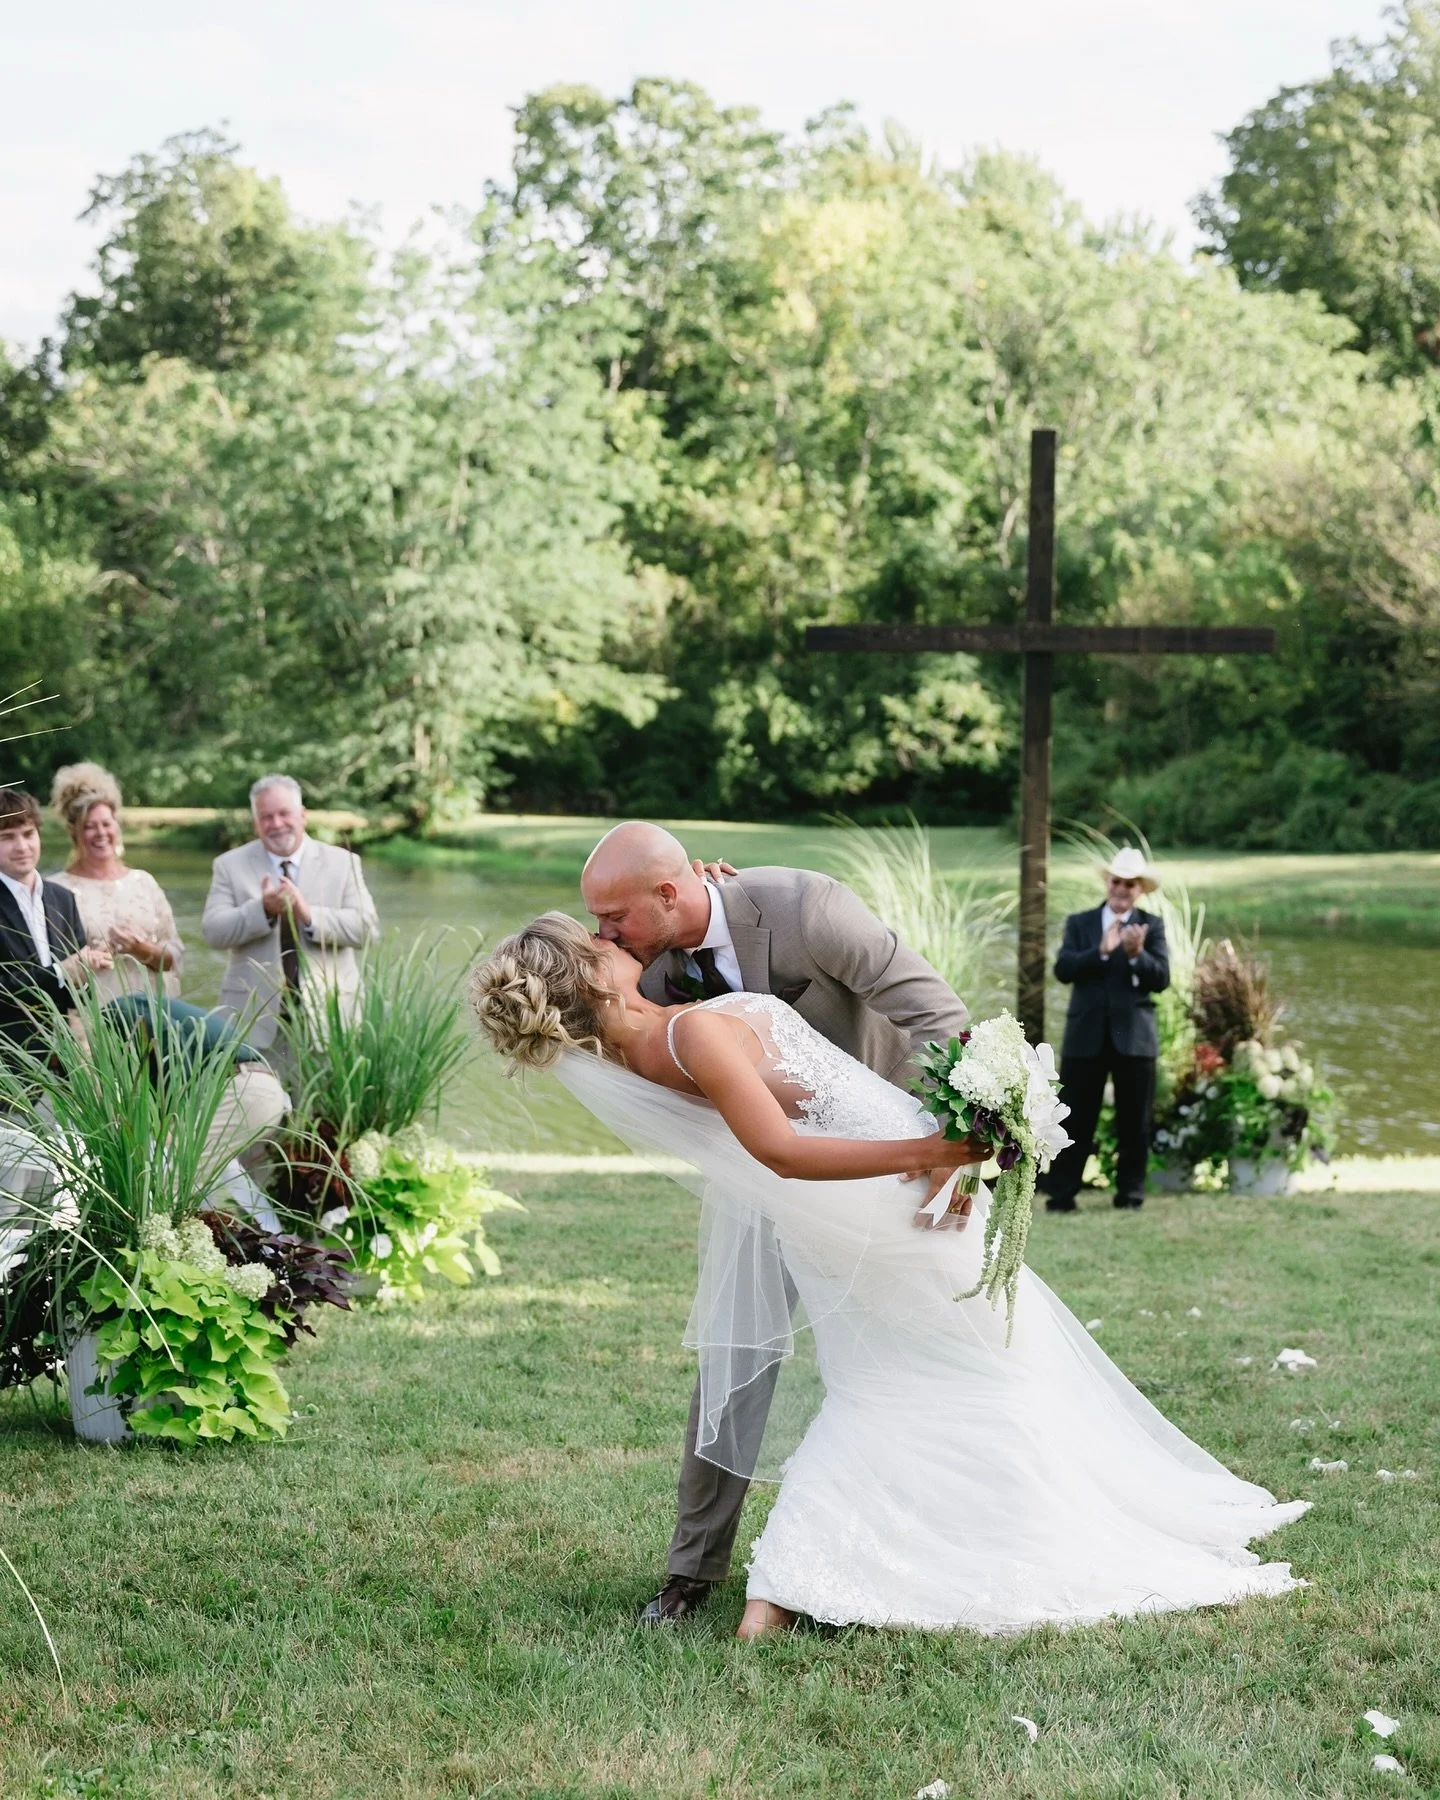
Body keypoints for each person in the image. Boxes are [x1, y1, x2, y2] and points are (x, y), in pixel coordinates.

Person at [470, 913, 1308, 1641]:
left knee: (893, 1385)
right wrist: (932, 1150)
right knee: (986, 1366)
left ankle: (787, 1587)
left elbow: (644, 980)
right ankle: (967, 1548)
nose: (612, 939)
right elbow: (782, 1151)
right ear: (589, 978)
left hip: (857, 1214)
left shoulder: (629, 1048)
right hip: (886, 1204)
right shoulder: (689, 1033)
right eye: (596, 942)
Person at [579, 823, 972, 1625]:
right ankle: (692, 1571)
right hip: (764, 1173)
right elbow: (566, 982)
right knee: (734, 1354)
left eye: (614, 918)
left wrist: (949, 1145)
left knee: (907, 1358)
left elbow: (935, 1012)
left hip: (881, 1156)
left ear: (670, 892)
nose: (601, 934)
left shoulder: (805, 907)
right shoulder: (634, 959)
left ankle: (918, 1547)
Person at [201, 775, 379, 1051]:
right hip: (252, 1022)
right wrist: (262, 910)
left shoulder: (343, 863)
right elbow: (213, 931)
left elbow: (367, 930)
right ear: (255, 823)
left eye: (284, 814)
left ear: (302, 815)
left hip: (328, 1022)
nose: (276, 824)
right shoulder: (228, 865)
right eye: (266, 817)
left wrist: (308, 914)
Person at [1042, 847, 1171, 1214]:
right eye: (1117, 881)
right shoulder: (1080, 923)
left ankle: (1130, 1196)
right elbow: (1063, 969)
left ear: (1140, 889)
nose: (1122, 889)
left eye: (1130, 884)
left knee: (1135, 1121)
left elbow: (1162, 979)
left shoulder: (1152, 925)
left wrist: (1136, 955)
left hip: (1135, 1039)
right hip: (1086, 1037)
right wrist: (1099, 952)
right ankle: (1062, 1195)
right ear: (1107, 882)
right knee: (1073, 1119)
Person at [48, 762, 184, 1001]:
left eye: (106, 823)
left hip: (151, 1014)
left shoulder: (144, 882)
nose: (101, 833)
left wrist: (140, 949)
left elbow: (174, 957)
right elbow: (51, 970)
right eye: (89, 826)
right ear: (73, 832)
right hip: (93, 1020)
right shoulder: (55, 889)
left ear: (117, 825)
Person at [0, 787, 112, 1059]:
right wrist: (61, 971)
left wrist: (88, 967)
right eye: (7, 837)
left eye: (28, 834)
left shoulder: (62, 898)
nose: (22, 847)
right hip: (8, 1064)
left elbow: (77, 994)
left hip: (65, 1061)